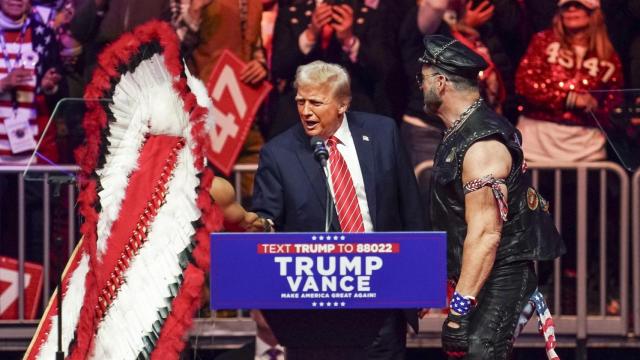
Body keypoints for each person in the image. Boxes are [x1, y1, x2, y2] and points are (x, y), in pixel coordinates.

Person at [251, 60, 424, 359]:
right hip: (314, 309)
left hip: (382, 294)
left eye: (316, 102)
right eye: (300, 101)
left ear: (343, 103)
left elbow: (409, 206)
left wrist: (420, 280)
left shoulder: (383, 134)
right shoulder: (278, 154)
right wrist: (259, 224)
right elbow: (266, 220)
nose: (306, 111)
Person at [418, 34, 565, 359]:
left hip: (501, 274)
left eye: (423, 78)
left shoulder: (481, 145)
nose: (420, 86)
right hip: (482, 272)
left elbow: (486, 235)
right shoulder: (461, 132)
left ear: (440, 82)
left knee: (478, 352)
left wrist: (458, 309)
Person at [515, 0, 623, 162]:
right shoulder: (542, 41)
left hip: (587, 148)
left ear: (594, 12)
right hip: (537, 144)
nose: (571, 10)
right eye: (566, 6)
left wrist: (596, 107)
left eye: (579, 5)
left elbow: (614, 100)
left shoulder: (607, 55)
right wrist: (569, 98)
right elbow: (525, 84)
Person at [215, 310, 284, 360]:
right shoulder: (227, 359)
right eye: (265, 306)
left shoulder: (294, 355)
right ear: (252, 312)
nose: (271, 313)